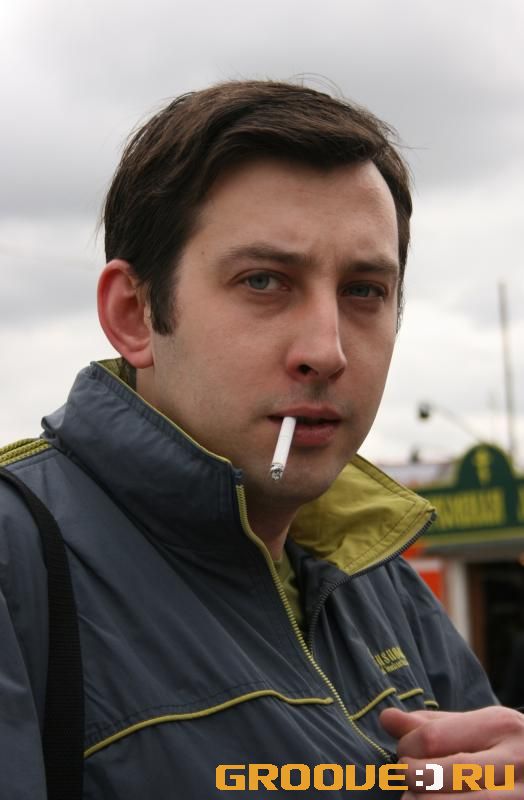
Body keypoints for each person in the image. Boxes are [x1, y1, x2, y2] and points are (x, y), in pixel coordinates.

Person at [1, 80, 522, 799]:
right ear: (134, 315)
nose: (327, 351)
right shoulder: (19, 567)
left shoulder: (381, 583)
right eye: (264, 282)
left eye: (364, 290)